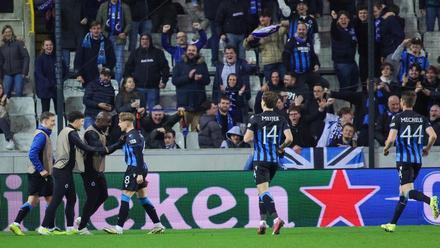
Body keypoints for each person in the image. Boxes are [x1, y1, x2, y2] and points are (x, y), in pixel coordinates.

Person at [37, 111, 110, 235]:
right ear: (76, 121)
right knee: (56, 199)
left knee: (71, 199)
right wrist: (104, 149)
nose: (82, 123)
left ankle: (70, 228)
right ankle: (43, 227)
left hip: (67, 171)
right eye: (81, 121)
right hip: (62, 171)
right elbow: (84, 147)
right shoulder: (70, 133)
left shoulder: (68, 132)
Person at [381, 91, 439, 232]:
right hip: (417, 161)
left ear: (402, 102)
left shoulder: (397, 118)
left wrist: (386, 149)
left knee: (408, 191)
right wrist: (427, 149)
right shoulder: (422, 118)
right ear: (413, 102)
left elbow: (391, 139)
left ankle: (430, 200)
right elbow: (433, 136)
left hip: (404, 160)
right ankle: (392, 224)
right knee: (403, 192)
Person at [104, 112, 165, 235]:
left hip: (135, 169)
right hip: (139, 168)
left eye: (120, 122)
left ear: (127, 122)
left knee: (125, 196)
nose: (119, 124)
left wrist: (139, 173)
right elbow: (119, 146)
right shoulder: (132, 135)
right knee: (143, 198)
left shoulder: (133, 136)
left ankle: (119, 228)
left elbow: (138, 155)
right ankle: (158, 225)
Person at [244, 91, 293, 235]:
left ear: (263, 103)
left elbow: (247, 139)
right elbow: (289, 139)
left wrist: (259, 140)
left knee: (263, 191)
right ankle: (262, 223)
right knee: (262, 191)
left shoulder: (255, 118)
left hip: (260, 160)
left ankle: (277, 219)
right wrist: (280, 148)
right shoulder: (281, 118)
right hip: (273, 161)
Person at [8, 112, 56, 235]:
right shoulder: (41, 135)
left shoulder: (44, 134)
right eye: (52, 120)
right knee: (33, 200)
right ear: (44, 121)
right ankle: (16, 224)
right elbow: (32, 154)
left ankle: (50, 227)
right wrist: (41, 170)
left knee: (50, 199)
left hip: (43, 173)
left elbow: (47, 155)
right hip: (38, 173)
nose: (54, 123)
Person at [77, 112, 122, 234]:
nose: (109, 124)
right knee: (92, 197)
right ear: (100, 120)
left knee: (103, 195)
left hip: (98, 170)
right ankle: (82, 228)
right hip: (89, 170)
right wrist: (119, 144)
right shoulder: (91, 133)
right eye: (108, 122)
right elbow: (101, 151)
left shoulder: (101, 131)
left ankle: (82, 219)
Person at [124, 33, 170, 112]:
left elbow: (165, 68)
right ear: (140, 41)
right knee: (139, 113)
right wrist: (128, 82)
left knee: (154, 112)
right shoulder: (135, 53)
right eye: (143, 39)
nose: (144, 41)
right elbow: (128, 68)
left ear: (150, 41)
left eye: (146, 39)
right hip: (138, 88)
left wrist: (164, 81)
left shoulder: (158, 53)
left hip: (154, 88)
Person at [172, 44, 210, 131]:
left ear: (197, 52)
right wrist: (188, 77)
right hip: (183, 106)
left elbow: (207, 81)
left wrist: (200, 79)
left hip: (199, 106)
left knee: (197, 133)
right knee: (183, 133)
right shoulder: (179, 64)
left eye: (193, 50)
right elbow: (174, 81)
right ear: (186, 51)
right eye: (189, 50)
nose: (191, 52)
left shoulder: (202, 64)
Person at [243, 10, 288, 81]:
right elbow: (246, 47)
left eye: (264, 17)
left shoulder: (276, 27)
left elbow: (288, 27)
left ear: (269, 17)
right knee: (269, 85)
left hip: (281, 61)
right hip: (268, 63)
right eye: (260, 17)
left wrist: (284, 23)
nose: (261, 19)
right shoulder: (258, 31)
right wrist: (247, 40)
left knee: (284, 83)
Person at [96, 0, 132, 84]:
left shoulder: (125, 7)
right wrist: (102, 34)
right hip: (106, 38)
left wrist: (125, 33)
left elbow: (129, 23)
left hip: (119, 38)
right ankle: (105, 83)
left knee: (119, 64)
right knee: (106, 63)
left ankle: (117, 84)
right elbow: (98, 21)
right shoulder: (103, 6)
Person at [213, 46, 252, 121]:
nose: (229, 55)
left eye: (231, 53)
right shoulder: (220, 66)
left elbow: (249, 70)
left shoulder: (241, 64)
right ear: (224, 55)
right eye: (227, 53)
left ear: (235, 54)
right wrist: (215, 101)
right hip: (223, 102)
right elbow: (216, 85)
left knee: (239, 127)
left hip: (238, 102)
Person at [74, 21, 116, 87]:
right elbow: (78, 59)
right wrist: (78, 74)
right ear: (90, 30)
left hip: (102, 76)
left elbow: (112, 59)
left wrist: (107, 72)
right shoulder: (84, 42)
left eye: (98, 28)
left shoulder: (107, 42)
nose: (96, 30)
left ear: (101, 29)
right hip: (86, 76)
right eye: (94, 28)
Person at [282, 22, 320, 88]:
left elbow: (313, 55)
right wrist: (289, 72)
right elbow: (285, 57)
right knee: (303, 88)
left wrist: (317, 64)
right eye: (299, 29)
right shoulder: (291, 41)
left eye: (303, 29)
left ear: (306, 30)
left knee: (324, 83)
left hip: (308, 73)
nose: (301, 31)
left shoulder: (309, 41)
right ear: (296, 30)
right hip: (296, 74)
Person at [35, 39, 66, 113]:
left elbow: (65, 70)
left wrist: (61, 80)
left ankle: (61, 124)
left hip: (57, 88)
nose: (49, 47)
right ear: (43, 47)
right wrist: (48, 83)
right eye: (47, 45)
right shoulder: (39, 59)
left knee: (60, 111)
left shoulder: (58, 57)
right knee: (45, 112)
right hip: (45, 88)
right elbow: (39, 74)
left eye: (51, 45)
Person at [330, 10, 359, 92]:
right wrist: (334, 19)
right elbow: (333, 30)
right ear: (338, 21)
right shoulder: (336, 30)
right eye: (341, 18)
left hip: (352, 61)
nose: (343, 20)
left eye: (345, 18)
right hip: (341, 63)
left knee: (354, 86)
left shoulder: (351, 29)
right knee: (345, 87)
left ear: (349, 20)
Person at [0, 25, 30, 97]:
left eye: (9, 31)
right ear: (3, 34)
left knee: (18, 92)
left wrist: (24, 72)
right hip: (7, 74)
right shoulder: (2, 46)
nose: (8, 33)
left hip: (19, 73)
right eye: (6, 32)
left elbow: (26, 57)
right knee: (5, 94)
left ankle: (18, 108)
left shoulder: (18, 43)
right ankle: (8, 108)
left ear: (12, 33)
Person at [0, 83, 14, 149]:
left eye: (0, 88)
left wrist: (3, 103)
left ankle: (10, 141)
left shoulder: (6, 100)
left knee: (1, 120)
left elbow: (8, 113)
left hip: (4, 124)